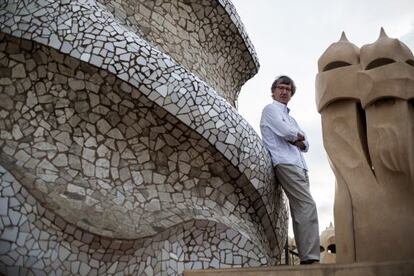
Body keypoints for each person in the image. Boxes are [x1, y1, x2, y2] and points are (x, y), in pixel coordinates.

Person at [260, 75, 320, 264]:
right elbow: (284, 132)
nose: (284, 91)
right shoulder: (270, 110)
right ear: (273, 91)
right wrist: (296, 137)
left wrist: (298, 138)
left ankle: (306, 256)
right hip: (285, 162)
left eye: (288, 89)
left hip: (300, 165)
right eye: (281, 88)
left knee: (300, 210)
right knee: (307, 206)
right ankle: (310, 257)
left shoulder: (290, 118)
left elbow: (307, 144)